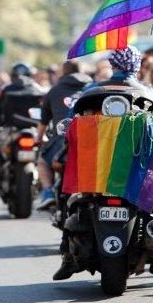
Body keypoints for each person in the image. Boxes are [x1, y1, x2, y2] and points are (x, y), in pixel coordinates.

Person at [53, 46, 153, 283]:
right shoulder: (148, 93)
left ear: (113, 65)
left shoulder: (92, 92)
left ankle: (67, 256)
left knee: (68, 198)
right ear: (137, 65)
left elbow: (69, 123)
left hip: (97, 172)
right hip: (137, 173)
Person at [36, 60, 92, 210]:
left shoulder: (54, 91)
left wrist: (38, 139)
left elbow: (43, 122)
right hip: (90, 142)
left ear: (63, 72)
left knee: (42, 161)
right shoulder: (93, 88)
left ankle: (48, 192)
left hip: (61, 141)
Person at [0, 62, 45, 183]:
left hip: (12, 130)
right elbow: (46, 113)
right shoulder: (38, 89)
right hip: (34, 131)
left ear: (13, 75)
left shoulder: (6, 89)